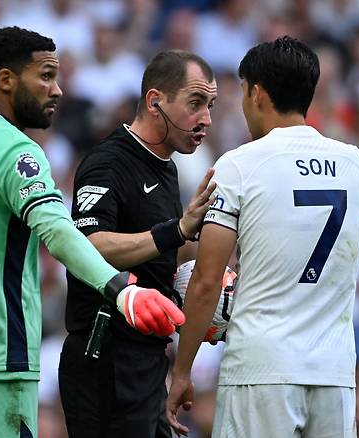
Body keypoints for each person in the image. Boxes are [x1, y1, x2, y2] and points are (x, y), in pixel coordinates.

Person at [0, 26, 185, 438]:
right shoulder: (16, 150)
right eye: (47, 75)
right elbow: (58, 231)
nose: (57, 90)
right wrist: (121, 289)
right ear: (6, 80)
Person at [167, 36, 359, 437]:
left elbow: (208, 280)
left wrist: (182, 371)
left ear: (257, 92)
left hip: (262, 369)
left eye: (243, 92)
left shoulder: (239, 166)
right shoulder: (358, 166)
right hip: (333, 373)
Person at [58, 50, 218, 438]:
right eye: (195, 103)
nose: (206, 120)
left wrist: (206, 282)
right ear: (155, 101)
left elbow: (159, 251)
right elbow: (89, 245)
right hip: (105, 361)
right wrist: (177, 231)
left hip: (145, 359)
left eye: (210, 106)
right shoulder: (107, 163)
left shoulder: (165, 167)